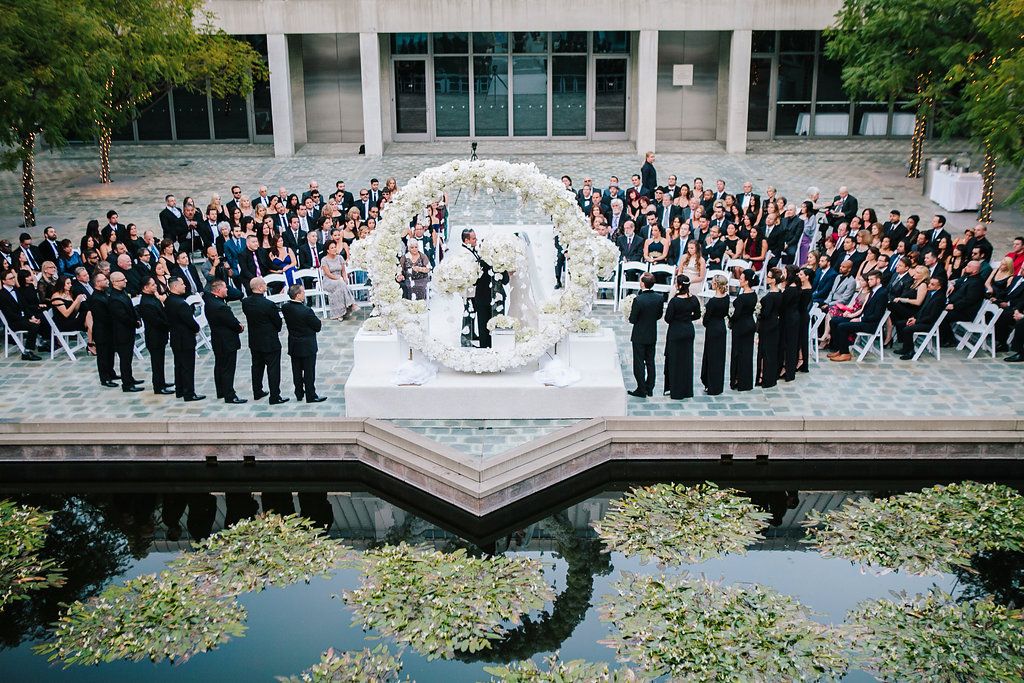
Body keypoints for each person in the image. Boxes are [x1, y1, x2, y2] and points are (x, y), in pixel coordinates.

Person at [242, 277, 288, 404]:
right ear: (260, 287)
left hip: (254, 340)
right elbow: (277, 323)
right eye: (264, 284)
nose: (266, 286)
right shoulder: (268, 304)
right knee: (273, 368)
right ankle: (275, 396)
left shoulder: (245, 302)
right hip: (269, 341)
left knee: (257, 366)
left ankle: (257, 391)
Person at [828, 271, 888, 362]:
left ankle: (845, 353)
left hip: (870, 324)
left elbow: (877, 315)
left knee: (842, 326)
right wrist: (852, 315)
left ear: (878, 280)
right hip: (864, 319)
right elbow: (864, 308)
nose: (869, 281)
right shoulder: (874, 291)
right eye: (868, 279)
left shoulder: (882, 293)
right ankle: (840, 349)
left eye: (871, 279)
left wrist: (859, 319)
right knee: (834, 321)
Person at [282, 284, 326, 403]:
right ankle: (311, 395)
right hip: (307, 345)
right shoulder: (306, 311)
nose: (304, 294)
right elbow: (317, 326)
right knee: (309, 372)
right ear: (297, 295)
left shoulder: (285, 307)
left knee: (296, 370)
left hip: (294, 344)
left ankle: (299, 393)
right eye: (303, 292)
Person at [204, 280, 246, 404]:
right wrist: (240, 327)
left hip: (217, 339)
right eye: (225, 287)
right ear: (218, 290)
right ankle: (230, 395)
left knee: (219, 366)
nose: (227, 289)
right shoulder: (221, 307)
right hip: (227, 341)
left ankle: (221, 390)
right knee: (228, 368)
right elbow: (232, 323)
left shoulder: (210, 301)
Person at [165, 277, 204, 401]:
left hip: (176, 338)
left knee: (179, 365)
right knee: (187, 367)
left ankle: (180, 390)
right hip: (185, 339)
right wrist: (196, 328)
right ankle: (189, 393)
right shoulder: (181, 304)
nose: (185, 286)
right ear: (175, 286)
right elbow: (190, 321)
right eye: (182, 284)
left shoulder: (169, 300)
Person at [663, 274, 701, 399]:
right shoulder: (694, 299)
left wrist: (678, 319)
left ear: (679, 286)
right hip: (688, 331)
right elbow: (697, 315)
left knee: (674, 360)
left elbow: (668, 318)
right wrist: (687, 318)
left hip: (676, 331)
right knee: (687, 360)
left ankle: (675, 389)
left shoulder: (674, 301)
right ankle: (686, 390)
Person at [627, 273, 663, 398]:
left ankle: (641, 389)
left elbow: (632, 319)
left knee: (639, 363)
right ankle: (650, 388)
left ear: (642, 283)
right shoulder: (659, 298)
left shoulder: (638, 300)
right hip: (652, 333)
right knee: (650, 362)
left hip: (639, 335)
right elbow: (659, 315)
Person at [138, 277, 174, 395]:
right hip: (154, 337)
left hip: (160, 335)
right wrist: (169, 325)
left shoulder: (152, 297)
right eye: (153, 285)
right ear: (145, 287)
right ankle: (158, 386)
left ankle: (162, 382)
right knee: (157, 363)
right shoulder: (146, 303)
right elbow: (156, 321)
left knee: (160, 362)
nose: (155, 286)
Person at [896, 277, 947, 359]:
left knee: (907, 329)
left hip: (929, 323)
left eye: (932, 284)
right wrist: (914, 318)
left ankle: (910, 351)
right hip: (922, 319)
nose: (929, 285)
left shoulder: (939, 298)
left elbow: (932, 317)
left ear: (939, 287)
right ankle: (906, 347)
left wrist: (916, 321)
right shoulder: (930, 293)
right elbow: (922, 309)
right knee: (900, 324)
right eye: (929, 283)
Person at [107, 272, 142, 392]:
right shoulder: (114, 299)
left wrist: (137, 318)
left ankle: (130, 378)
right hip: (122, 333)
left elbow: (131, 308)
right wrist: (135, 323)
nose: (125, 281)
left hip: (128, 330)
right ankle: (127, 384)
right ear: (114, 282)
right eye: (122, 280)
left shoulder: (123, 293)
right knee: (125, 359)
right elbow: (122, 317)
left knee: (128, 358)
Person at [0, 269, 42, 361]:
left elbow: (25, 306)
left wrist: (32, 317)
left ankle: (41, 344)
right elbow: (9, 314)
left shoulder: (16, 290)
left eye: (13, 277)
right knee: (33, 325)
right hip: (14, 322)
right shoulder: (2, 295)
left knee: (40, 318)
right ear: (3, 281)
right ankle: (27, 352)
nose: (13, 280)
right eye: (10, 278)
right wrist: (28, 320)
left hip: (23, 318)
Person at [462, 229, 493, 348]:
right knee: (469, 313)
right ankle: (466, 339)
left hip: (475, 290)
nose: (476, 240)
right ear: (466, 240)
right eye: (473, 238)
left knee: (472, 312)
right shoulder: (464, 253)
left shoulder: (473, 250)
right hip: (470, 289)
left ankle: (471, 334)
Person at [700, 274, 729, 395]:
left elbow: (706, 319)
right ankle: (718, 385)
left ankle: (710, 385)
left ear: (716, 284)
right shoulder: (726, 298)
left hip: (712, 329)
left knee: (711, 356)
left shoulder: (712, 302)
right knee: (719, 357)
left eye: (712, 282)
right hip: (721, 327)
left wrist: (705, 320)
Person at [730, 270, 758, 391]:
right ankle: (746, 381)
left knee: (737, 353)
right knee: (747, 354)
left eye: (741, 279)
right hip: (750, 324)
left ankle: (737, 379)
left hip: (740, 326)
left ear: (746, 281)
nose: (739, 280)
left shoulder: (742, 298)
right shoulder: (754, 294)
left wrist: (730, 319)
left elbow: (737, 315)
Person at [88, 272, 117, 383]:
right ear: (97, 283)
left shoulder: (104, 293)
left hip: (108, 329)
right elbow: (102, 316)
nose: (107, 281)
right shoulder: (96, 298)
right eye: (104, 279)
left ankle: (111, 373)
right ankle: (105, 378)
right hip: (102, 330)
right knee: (103, 355)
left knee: (110, 353)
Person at [320, 240, 359, 320]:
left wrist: (345, 278)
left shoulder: (340, 257)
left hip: (340, 280)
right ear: (328, 250)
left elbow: (343, 271)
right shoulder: (324, 260)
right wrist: (339, 278)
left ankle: (340, 314)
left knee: (341, 286)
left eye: (335, 247)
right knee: (341, 284)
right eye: (332, 248)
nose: (334, 249)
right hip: (329, 280)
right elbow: (328, 274)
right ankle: (352, 304)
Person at [757, 268, 782, 388]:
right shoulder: (780, 293)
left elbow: (765, 313)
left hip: (767, 325)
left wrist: (759, 313)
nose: (766, 278)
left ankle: (765, 377)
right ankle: (769, 377)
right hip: (775, 324)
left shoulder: (771, 297)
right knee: (771, 352)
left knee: (766, 352)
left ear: (774, 280)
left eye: (769, 276)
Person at [778, 267, 801, 381]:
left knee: (788, 345)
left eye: (785, 272)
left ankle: (787, 370)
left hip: (789, 319)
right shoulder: (795, 287)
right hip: (793, 317)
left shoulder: (790, 290)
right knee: (790, 345)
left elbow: (782, 304)